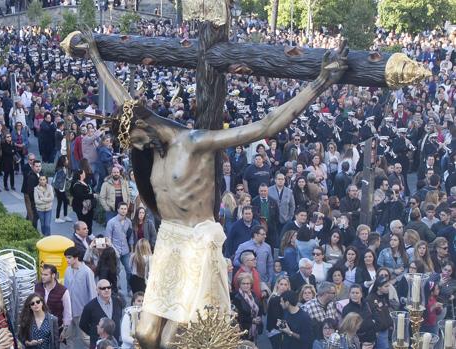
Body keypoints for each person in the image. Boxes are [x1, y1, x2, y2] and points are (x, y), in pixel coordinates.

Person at [82, 32, 349, 348]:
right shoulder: (150, 144)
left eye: (137, 141)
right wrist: (96, 58)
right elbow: (122, 98)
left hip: (197, 243)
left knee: (170, 342)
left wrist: (321, 82)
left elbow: (265, 126)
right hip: (169, 241)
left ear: (145, 127)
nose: (137, 149)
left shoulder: (195, 142)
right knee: (144, 334)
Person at [63, 246, 97, 349]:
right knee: (68, 337)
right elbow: (65, 291)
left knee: (85, 337)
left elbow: (92, 293)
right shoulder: (67, 270)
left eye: (69, 258)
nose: (67, 260)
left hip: (82, 311)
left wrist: (91, 312)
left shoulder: (87, 272)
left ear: (76, 257)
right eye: (66, 257)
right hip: (69, 311)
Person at [79, 279, 123, 349]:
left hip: (114, 343)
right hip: (97, 344)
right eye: (103, 288)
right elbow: (82, 325)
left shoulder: (117, 302)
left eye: (108, 287)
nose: (106, 290)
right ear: (97, 290)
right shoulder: (89, 307)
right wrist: (94, 333)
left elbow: (119, 317)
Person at [34, 264, 72, 336]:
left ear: (53, 275)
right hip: (38, 327)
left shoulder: (63, 291)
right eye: (42, 274)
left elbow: (67, 313)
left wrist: (64, 330)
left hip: (56, 328)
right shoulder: (36, 288)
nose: (42, 277)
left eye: (46, 275)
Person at [103, 202, 133, 287]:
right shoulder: (111, 222)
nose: (123, 211)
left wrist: (132, 249)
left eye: (125, 209)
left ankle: (129, 289)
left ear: (127, 211)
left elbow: (130, 236)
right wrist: (114, 250)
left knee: (129, 270)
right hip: (114, 251)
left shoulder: (129, 222)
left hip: (125, 251)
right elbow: (107, 238)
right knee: (116, 272)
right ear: (118, 210)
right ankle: (117, 290)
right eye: (122, 209)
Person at [232, 272, 262, 342]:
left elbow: (259, 309)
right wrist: (252, 320)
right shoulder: (236, 297)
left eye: (248, 283)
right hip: (243, 330)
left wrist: (259, 318)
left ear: (251, 284)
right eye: (243, 283)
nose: (246, 285)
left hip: (254, 329)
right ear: (240, 284)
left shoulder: (253, 294)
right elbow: (238, 316)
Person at [365, 277, 393, 349]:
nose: (388, 288)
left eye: (388, 285)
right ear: (379, 287)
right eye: (386, 286)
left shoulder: (384, 296)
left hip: (386, 329)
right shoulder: (370, 299)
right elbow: (369, 316)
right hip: (378, 332)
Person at [267, 276, 291, 349]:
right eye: (281, 284)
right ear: (277, 285)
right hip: (276, 331)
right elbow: (277, 318)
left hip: (281, 330)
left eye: (285, 284)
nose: (283, 286)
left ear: (288, 286)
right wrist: (288, 331)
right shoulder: (275, 298)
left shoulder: (286, 297)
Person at [52, 156, 71, 223]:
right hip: (59, 188)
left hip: (60, 188)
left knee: (62, 202)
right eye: (66, 160)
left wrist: (68, 179)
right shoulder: (60, 170)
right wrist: (61, 190)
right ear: (63, 162)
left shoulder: (63, 168)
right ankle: (58, 218)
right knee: (64, 201)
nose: (67, 161)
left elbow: (62, 178)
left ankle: (63, 216)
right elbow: (59, 180)